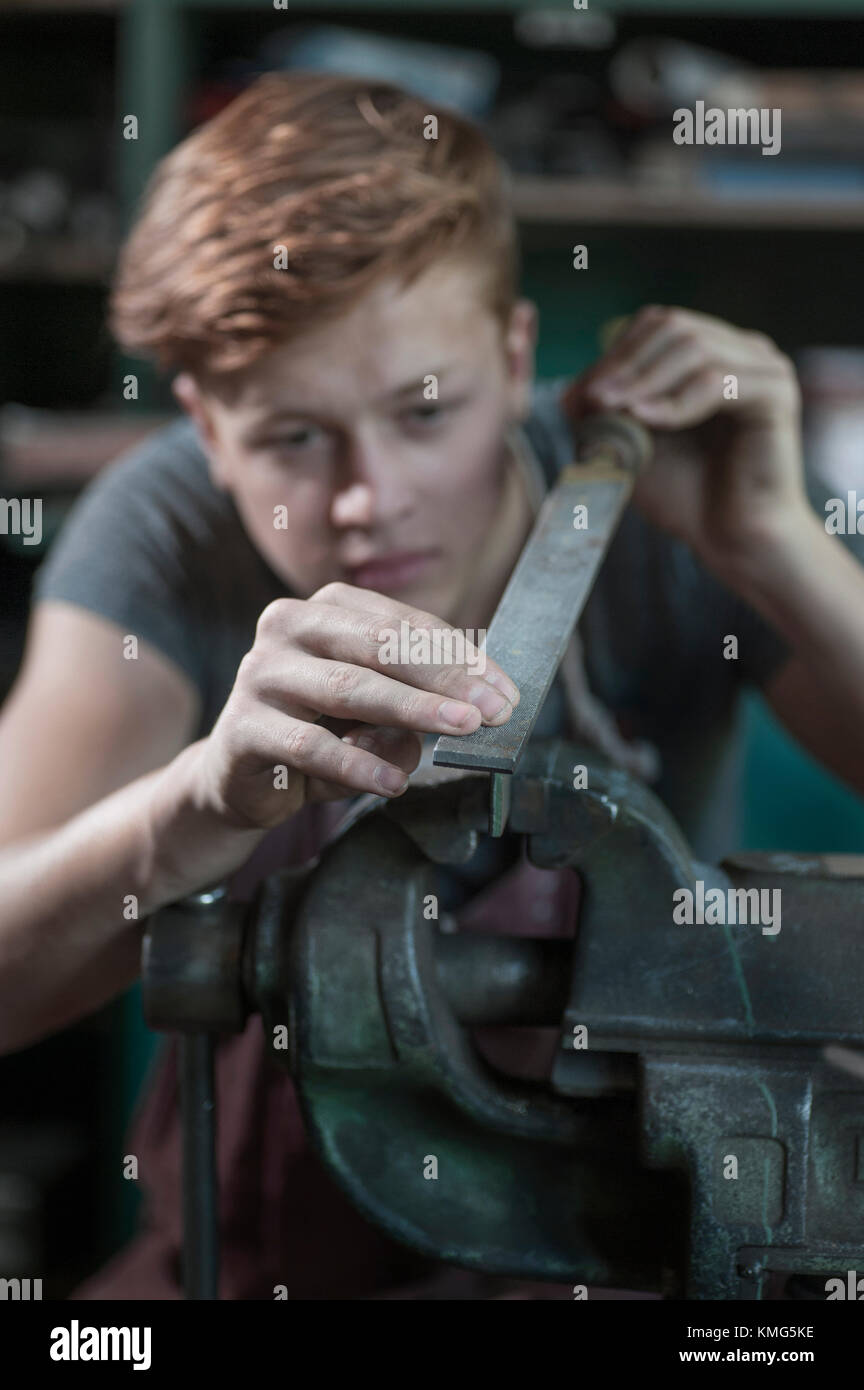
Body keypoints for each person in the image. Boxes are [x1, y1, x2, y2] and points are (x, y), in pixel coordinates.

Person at [0, 72, 862, 1300]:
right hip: (262, 1255)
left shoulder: (677, 505)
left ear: (514, 359)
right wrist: (194, 805)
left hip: (632, 1242)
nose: (369, 497)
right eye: (293, 438)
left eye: (425, 410)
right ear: (201, 422)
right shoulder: (164, 533)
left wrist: (778, 544)